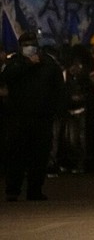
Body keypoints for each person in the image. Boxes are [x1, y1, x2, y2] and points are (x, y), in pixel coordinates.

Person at [2, 31, 64, 201]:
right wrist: (27, 64)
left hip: (42, 117)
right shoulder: (15, 62)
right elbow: (6, 76)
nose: (29, 48)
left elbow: (58, 87)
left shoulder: (48, 63)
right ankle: (13, 190)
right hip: (19, 117)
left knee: (39, 155)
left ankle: (34, 190)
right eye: (25, 45)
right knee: (16, 155)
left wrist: (55, 109)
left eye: (31, 44)